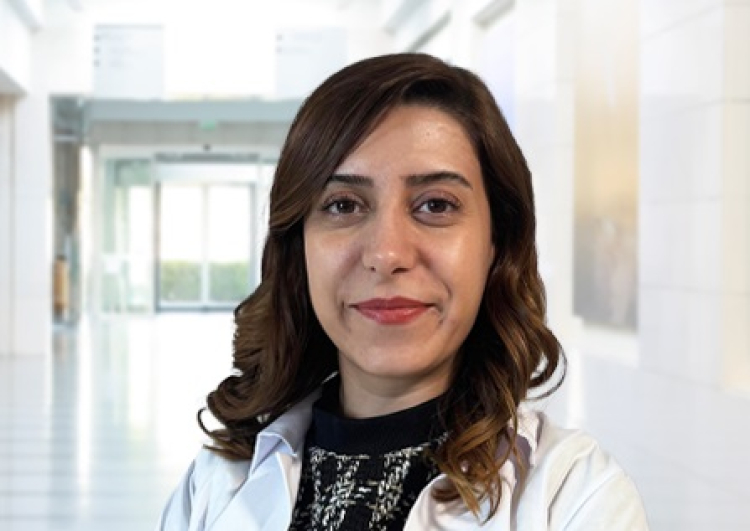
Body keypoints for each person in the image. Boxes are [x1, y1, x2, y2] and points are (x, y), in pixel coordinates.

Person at [156, 53, 649, 530]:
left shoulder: (577, 498)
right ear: (298, 246)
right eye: (343, 205)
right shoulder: (216, 484)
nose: (387, 253)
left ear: (495, 242)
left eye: (436, 205)